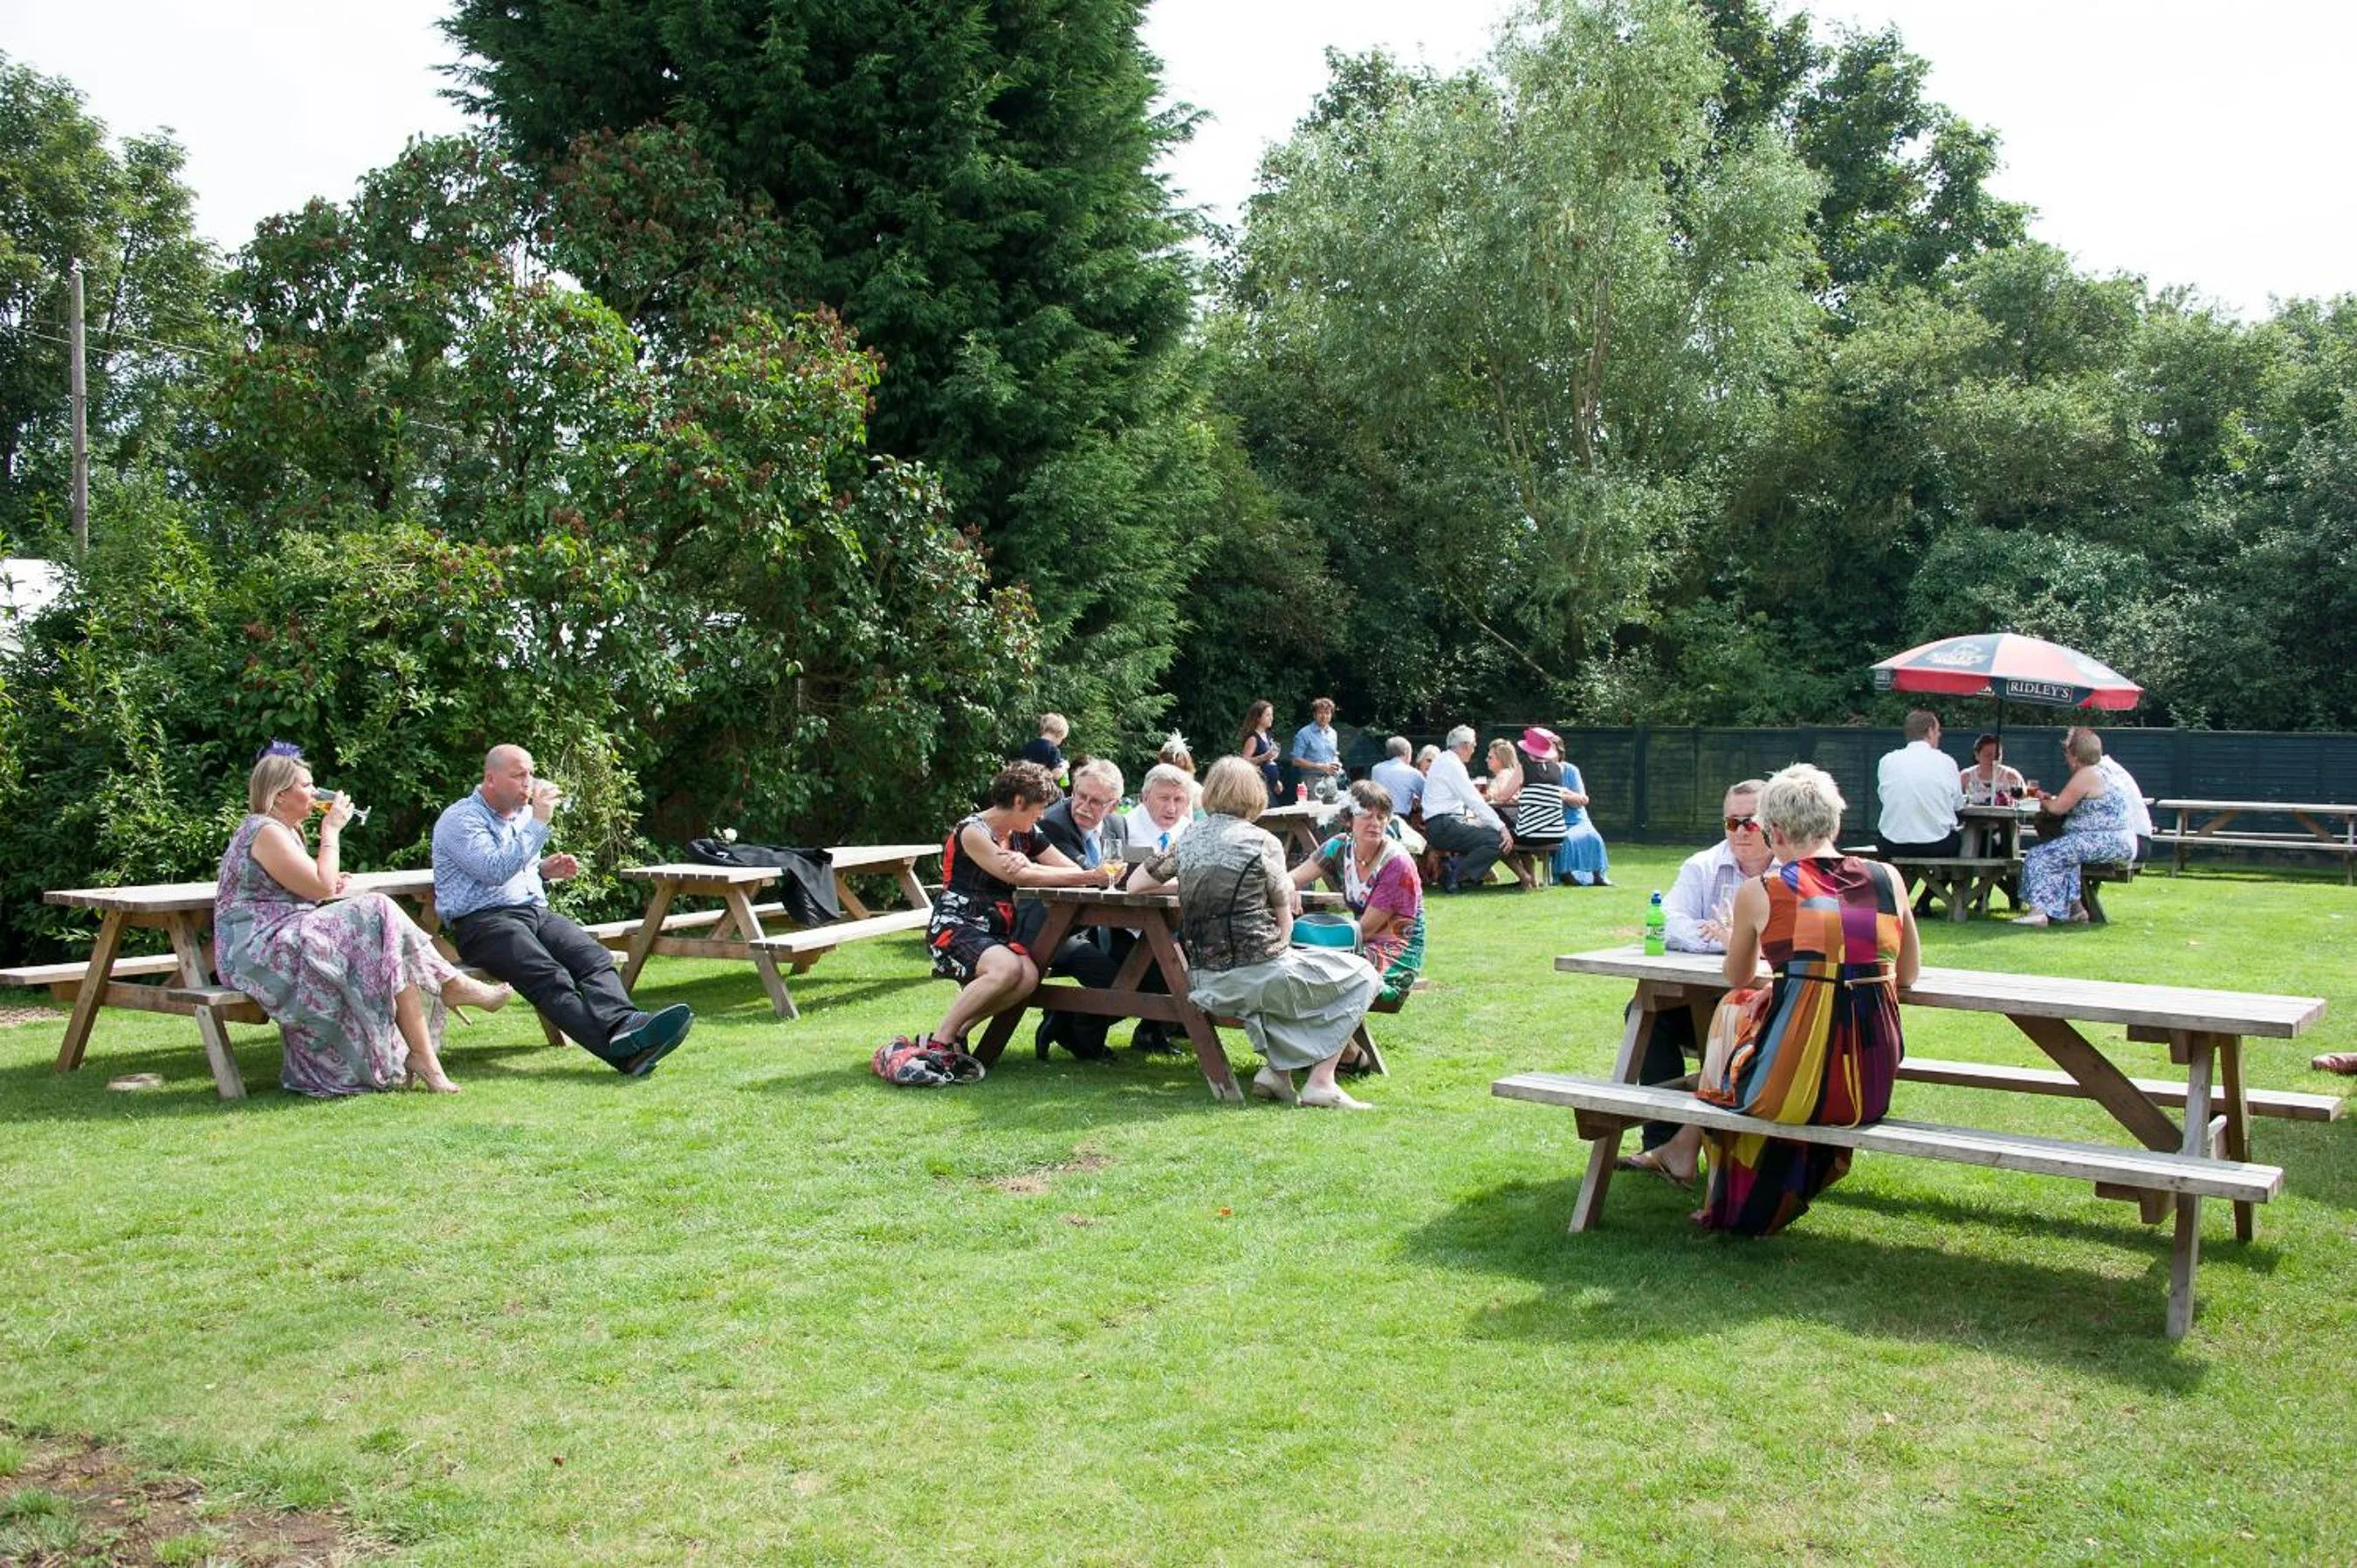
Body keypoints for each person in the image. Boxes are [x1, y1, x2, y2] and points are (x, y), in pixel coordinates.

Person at [1630, 764, 1918, 1236]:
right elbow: (1907, 974)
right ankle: (1688, 1153)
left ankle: (1722, 1190)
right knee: (1754, 1032)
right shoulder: (1888, 879)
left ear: (1775, 833)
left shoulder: (1763, 891)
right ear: (1836, 824)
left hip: (1791, 1090)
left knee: (1732, 1017)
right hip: (1870, 1084)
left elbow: (1738, 976)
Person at [216, 743, 510, 1097]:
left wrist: (324, 880)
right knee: (378, 910)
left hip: (287, 932)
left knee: (385, 936)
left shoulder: (285, 831)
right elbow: (318, 886)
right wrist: (332, 831)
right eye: (307, 786)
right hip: (256, 950)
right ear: (279, 795)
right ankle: (450, 986)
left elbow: (309, 887)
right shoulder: (265, 831)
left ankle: (426, 1060)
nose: (315, 792)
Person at [1131, 757, 1379, 1110]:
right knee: (1362, 975)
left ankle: (1277, 1074)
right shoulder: (1263, 843)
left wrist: (1192, 882)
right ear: (1255, 794)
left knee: (1287, 983)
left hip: (1204, 980)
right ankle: (1321, 1082)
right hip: (1254, 977)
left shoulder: (1188, 839)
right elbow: (1285, 923)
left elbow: (1137, 883)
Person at [434, 745, 693, 1076]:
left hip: (531, 913)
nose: (529, 782)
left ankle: (623, 1024)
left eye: (530, 773)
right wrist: (540, 821)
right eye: (519, 775)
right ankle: (625, 1055)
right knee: (550, 977)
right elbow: (492, 871)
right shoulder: (461, 819)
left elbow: (514, 868)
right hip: (483, 924)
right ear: (491, 778)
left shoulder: (521, 816)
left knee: (594, 957)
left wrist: (542, 870)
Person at [911, 762, 1124, 1058]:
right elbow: (1018, 876)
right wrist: (1088, 876)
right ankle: (940, 1041)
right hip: (957, 927)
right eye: (1038, 808)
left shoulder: (1026, 832)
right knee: (1007, 969)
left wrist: (1033, 865)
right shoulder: (972, 832)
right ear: (1019, 802)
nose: (1042, 815)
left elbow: (1068, 869)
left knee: (1028, 977)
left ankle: (960, 1032)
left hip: (996, 932)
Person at [1617, 781, 1770, 1169]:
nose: (1738, 832)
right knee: (1646, 1014)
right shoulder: (1702, 865)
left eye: (1749, 823)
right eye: (1730, 822)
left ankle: (1692, 1146)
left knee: (1739, 1029)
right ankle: (1661, 1140)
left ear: (1773, 823)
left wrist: (1737, 938)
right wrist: (1730, 943)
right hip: (1705, 999)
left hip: (1764, 1007)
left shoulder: (1793, 870)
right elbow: (1667, 920)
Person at [1290, 781, 1424, 1019]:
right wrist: (1287, 888)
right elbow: (1293, 878)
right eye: (1366, 815)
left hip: (1393, 955)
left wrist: (1304, 937)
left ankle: (1342, 1052)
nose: (1375, 823)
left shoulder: (1397, 863)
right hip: (1359, 945)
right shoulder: (1339, 846)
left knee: (1311, 973)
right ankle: (1342, 1051)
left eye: (1382, 816)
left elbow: (1366, 929)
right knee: (1294, 971)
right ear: (1348, 819)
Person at [1026, 759, 1131, 1061]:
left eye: (1095, 801)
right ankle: (1078, 1036)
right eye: (1079, 795)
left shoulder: (1118, 823)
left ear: (1113, 805)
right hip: (1051, 928)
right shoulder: (1053, 823)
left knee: (1147, 972)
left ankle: (1064, 1021)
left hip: (1095, 925)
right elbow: (1084, 875)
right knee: (1111, 978)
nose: (1083, 806)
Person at [2016, 729, 2138, 926]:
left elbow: (2057, 808)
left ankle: (2038, 912)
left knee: (2039, 855)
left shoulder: (2086, 774)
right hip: (2119, 841)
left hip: (2103, 841)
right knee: (2064, 856)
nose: (2065, 758)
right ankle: (2076, 910)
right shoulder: (2105, 772)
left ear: (2074, 755)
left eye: (2067, 753)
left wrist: (2040, 799)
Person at [1877, 709, 1964, 915]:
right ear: (1931, 731)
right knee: (1964, 845)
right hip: (1936, 844)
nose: (1940, 735)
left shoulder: (1887, 761)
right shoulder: (1946, 762)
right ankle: (1929, 900)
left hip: (1892, 843)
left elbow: (1885, 797)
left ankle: (1900, 902)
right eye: (1938, 730)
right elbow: (1958, 805)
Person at [1512, 726, 1613, 889]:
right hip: (1554, 820)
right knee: (1565, 838)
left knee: (1593, 836)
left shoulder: (1570, 770)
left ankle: (1598, 874)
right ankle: (1565, 874)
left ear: (1559, 753)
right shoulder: (1534, 770)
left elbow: (1581, 798)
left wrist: (1559, 795)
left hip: (1575, 817)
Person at [1420, 726, 1514, 891]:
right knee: (1497, 840)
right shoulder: (1452, 765)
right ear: (1465, 745)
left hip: (1440, 823)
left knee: (1489, 834)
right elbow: (1474, 800)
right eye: (1473, 745)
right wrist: (1502, 827)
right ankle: (1455, 875)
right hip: (1443, 825)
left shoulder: (1444, 760)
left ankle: (1455, 869)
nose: (1474, 749)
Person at [2073, 727, 2154, 857]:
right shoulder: (2107, 768)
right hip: (2136, 840)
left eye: (2067, 751)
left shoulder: (2097, 772)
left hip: (2131, 842)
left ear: (2077, 752)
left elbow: (2066, 808)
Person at [1123, 764, 1195, 856]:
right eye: (1164, 799)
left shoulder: (1190, 832)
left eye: (1178, 800)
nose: (1171, 809)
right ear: (1145, 797)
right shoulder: (1124, 830)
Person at [1288, 697, 1345, 801]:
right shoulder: (1304, 733)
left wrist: (1336, 763)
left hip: (1331, 780)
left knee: (1333, 814)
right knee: (1315, 815)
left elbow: (1334, 754)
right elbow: (1295, 760)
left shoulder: (1333, 733)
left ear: (1331, 715)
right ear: (1314, 715)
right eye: (1320, 713)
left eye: (1327, 713)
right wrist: (1321, 767)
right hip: (1311, 780)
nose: (1324, 716)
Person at [1959, 733, 2027, 805]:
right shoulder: (1966, 776)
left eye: (1997, 756)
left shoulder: (2011, 776)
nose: (1993, 760)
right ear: (1977, 755)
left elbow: (2024, 799)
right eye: (1988, 755)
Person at [1239, 700, 1283, 806]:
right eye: (1267, 715)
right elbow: (1244, 761)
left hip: (1270, 788)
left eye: (1271, 715)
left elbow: (1269, 761)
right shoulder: (1253, 738)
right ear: (1258, 718)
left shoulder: (1268, 736)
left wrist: (1276, 780)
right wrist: (1264, 757)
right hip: (1258, 788)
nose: (1271, 718)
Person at [1370, 736, 1424, 819]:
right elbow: (1427, 794)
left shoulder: (1376, 769)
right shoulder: (1412, 772)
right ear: (1406, 753)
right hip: (1401, 818)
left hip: (1379, 816)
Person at [1019, 714, 1070, 784]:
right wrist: (1063, 766)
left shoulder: (1029, 745)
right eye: (1062, 739)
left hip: (1026, 784)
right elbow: (1056, 775)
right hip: (1042, 787)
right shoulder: (1053, 750)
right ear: (1059, 734)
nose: (1060, 742)